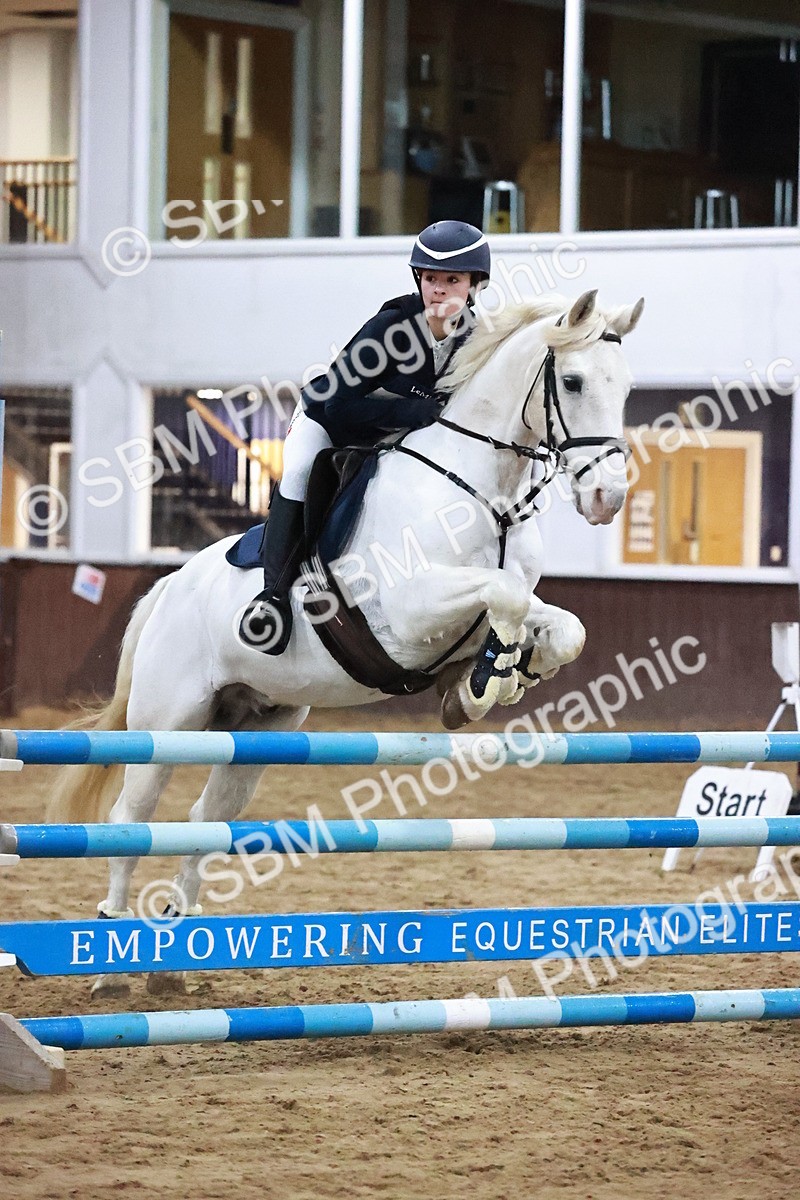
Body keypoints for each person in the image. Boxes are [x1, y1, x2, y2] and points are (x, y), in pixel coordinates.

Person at [239, 219, 491, 654]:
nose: (440, 290)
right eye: (431, 278)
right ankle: (272, 599)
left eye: (453, 279)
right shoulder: (391, 331)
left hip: (389, 436)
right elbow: (336, 403)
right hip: (329, 421)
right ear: (419, 280)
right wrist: (412, 410)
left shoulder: (476, 339)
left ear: (474, 285)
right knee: (298, 470)